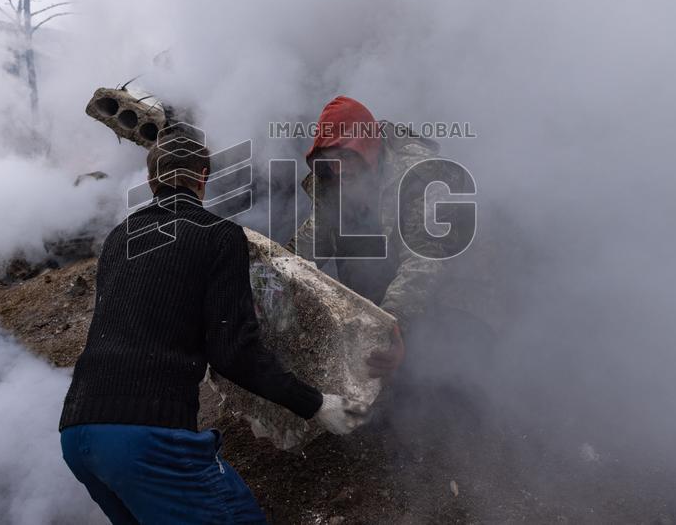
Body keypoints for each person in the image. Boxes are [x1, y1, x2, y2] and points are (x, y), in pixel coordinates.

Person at [59, 128, 369, 525]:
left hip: (78, 433)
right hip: (146, 438)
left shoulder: (119, 238)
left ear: (152, 180)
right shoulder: (219, 236)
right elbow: (232, 352)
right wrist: (317, 404)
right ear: (203, 177)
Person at [286, 97, 483, 381]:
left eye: (345, 157)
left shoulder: (418, 174)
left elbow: (424, 257)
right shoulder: (334, 177)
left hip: (442, 269)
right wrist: (272, 281)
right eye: (331, 160)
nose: (339, 169)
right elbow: (316, 237)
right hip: (388, 252)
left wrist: (394, 325)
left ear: (364, 149)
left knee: (443, 364)